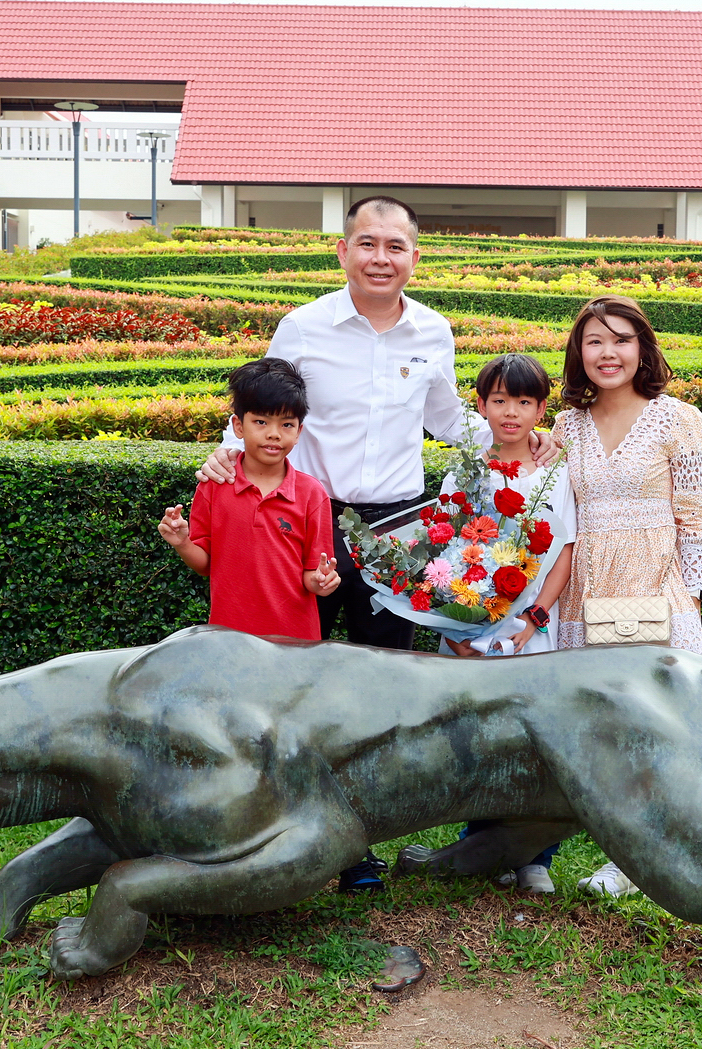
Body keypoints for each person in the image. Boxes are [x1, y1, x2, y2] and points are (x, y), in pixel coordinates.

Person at [197, 195, 557, 891]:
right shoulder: (303, 325)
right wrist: (220, 457)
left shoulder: (432, 331)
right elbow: (260, 406)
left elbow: (449, 418)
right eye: (368, 244)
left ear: (414, 258)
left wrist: (517, 436)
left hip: (395, 530)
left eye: (396, 246)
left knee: (382, 686)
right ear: (343, 252)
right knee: (288, 678)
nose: (381, 258)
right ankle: (267, 828)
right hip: (299, 517)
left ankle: (358, 840)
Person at [549, 296, 702, 899]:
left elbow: (695, 515)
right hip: (585, 590)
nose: (608, 352)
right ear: (579, 353)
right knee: (603, 727)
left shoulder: (678, 419)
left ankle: (654, 854)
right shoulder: (565, 426)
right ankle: (620, 848)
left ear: (642, 347)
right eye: (595, 341)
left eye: (621, 339)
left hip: (656, 585)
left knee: (663, 724)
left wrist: (690, 594)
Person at [436, 353, 579, 894]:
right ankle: (481, 843)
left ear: (542, 409)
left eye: (524, 401)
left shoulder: (555, 474)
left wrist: (534, 619)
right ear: (481, 405)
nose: (511, 412)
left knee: (535, 736)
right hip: (469, 627)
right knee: (479, 734)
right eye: (499, 400)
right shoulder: (464, 472)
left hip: (532, 628)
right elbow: (441, 550)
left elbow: (565, 550)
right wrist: (456, 630)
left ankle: (535, 857)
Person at [159, 358, 342, 638]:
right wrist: (182, 542)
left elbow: (311, 574)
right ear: (238, 426)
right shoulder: (215, 486)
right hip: (229, 637)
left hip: (295, 639)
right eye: (260, 421)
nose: (273, 433)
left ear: (299, 431)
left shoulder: (311, 494)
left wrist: (321, 581)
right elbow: (205, 564)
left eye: (287, 425)